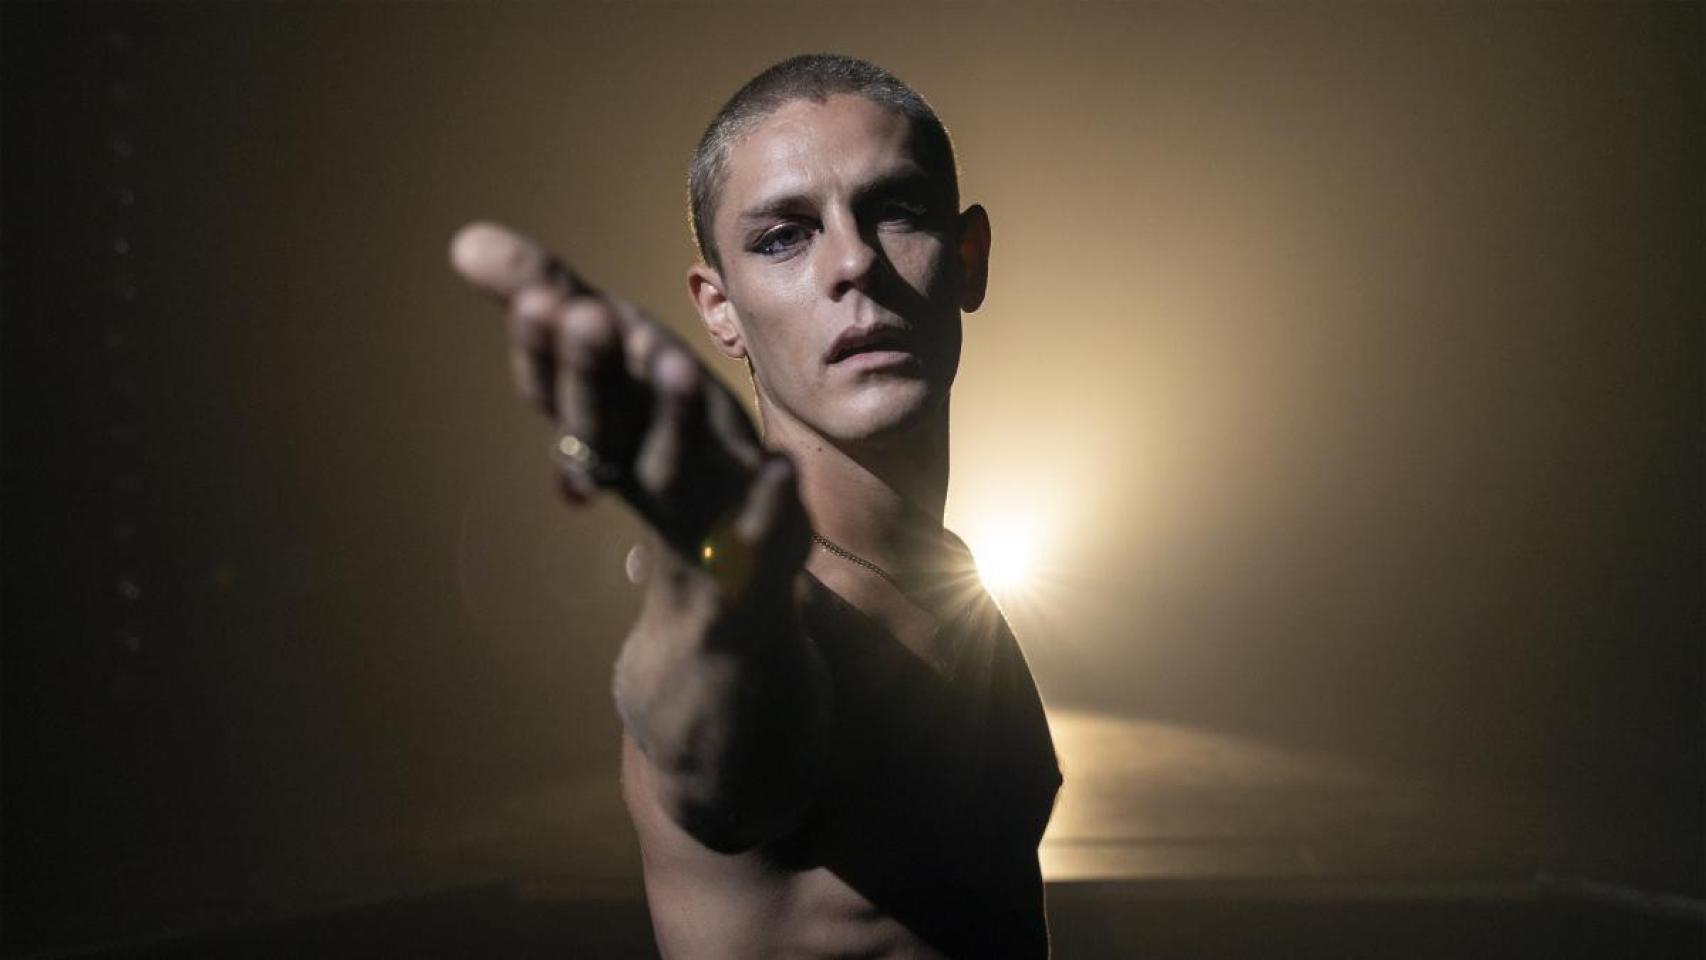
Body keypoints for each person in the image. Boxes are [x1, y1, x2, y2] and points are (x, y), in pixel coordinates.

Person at [450, 53, 1062, 959]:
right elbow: (720, 765)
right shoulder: (767, 607)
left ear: (968, 257)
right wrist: (717, 579)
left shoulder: (948, 573)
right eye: (783, 236)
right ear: (719, 309)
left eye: (896, 209)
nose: (854, 260)